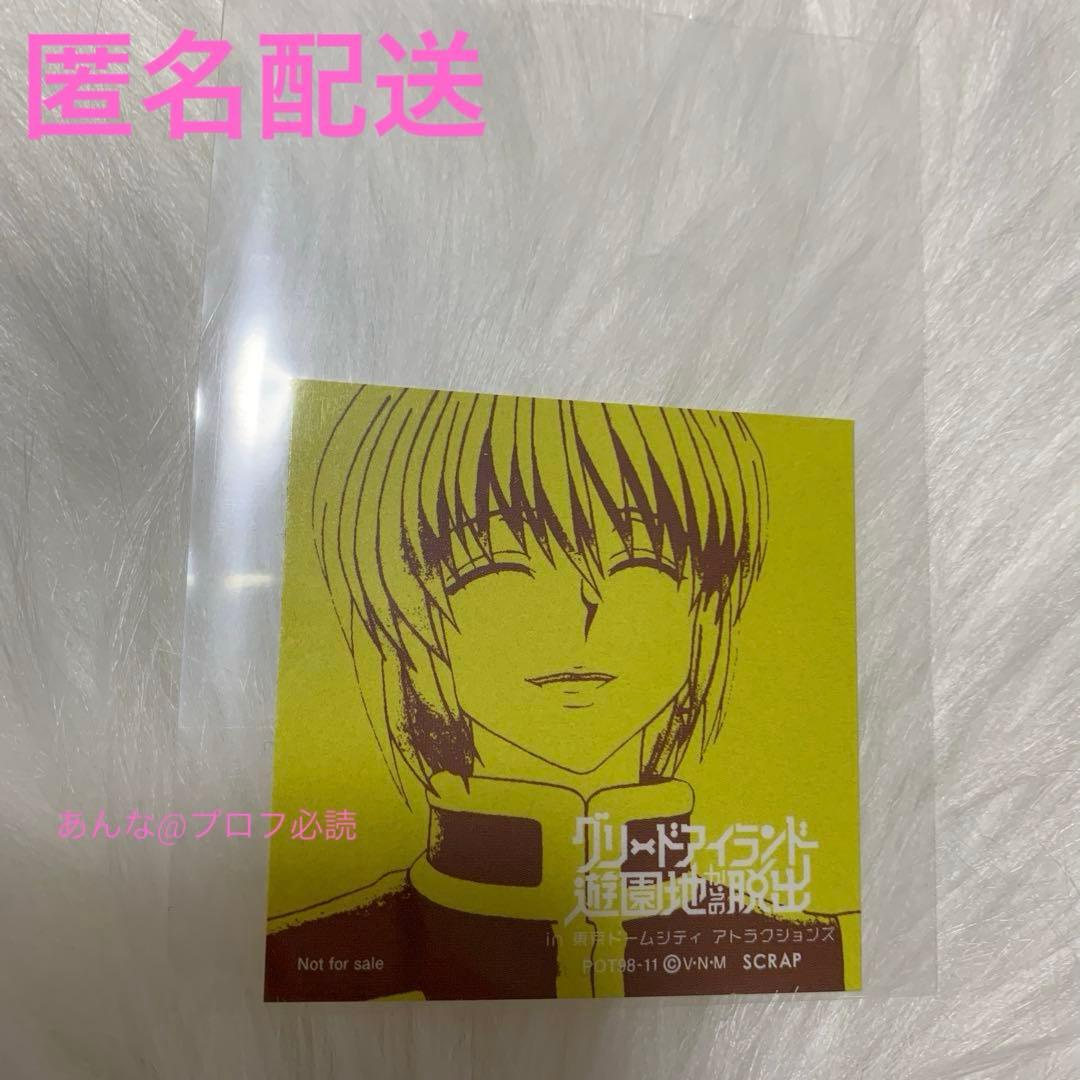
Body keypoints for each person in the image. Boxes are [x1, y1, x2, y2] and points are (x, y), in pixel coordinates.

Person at [265, 385, 846, 1001]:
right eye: (494, 561)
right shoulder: (300, 964)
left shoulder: (823, 955)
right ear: (411, 622)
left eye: (639, 555)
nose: (581, 609)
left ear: (703, 608)